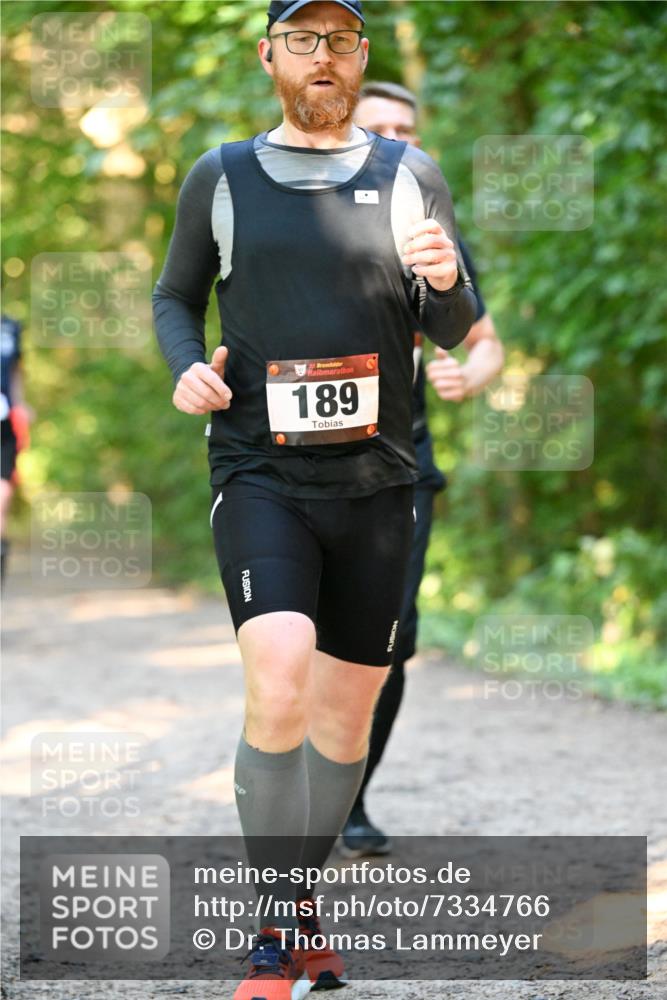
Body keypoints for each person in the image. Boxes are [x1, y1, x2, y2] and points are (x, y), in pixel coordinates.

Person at [152, 2, 477, 996]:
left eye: (340, 40)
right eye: (303, 39)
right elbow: (176, 297)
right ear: (271, 57)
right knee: (280, 673)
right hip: (259, 472)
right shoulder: (222, 175)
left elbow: (456, 324)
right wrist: (184, 370)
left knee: (344, 721)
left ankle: (303, 904)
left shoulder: (408, 174)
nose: (322, 57)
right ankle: (272, 929)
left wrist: (447, 275)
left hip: (379, 479)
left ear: (359, 57)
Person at [340, 82, 504, 858]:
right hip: (299, 467)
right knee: (303, 637)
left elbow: (482, 341)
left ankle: (352, 798)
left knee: (388, 639)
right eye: (379, 128)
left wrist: (471, 374)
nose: (397, 140)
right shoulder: (301, 217)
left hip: (405, 466)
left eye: (407, 129)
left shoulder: (431, 232)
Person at [1, 309, 32, 586]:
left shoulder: (11, 327)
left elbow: (15, 372)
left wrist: (21, 404)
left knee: (2, 499)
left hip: (4, 424)